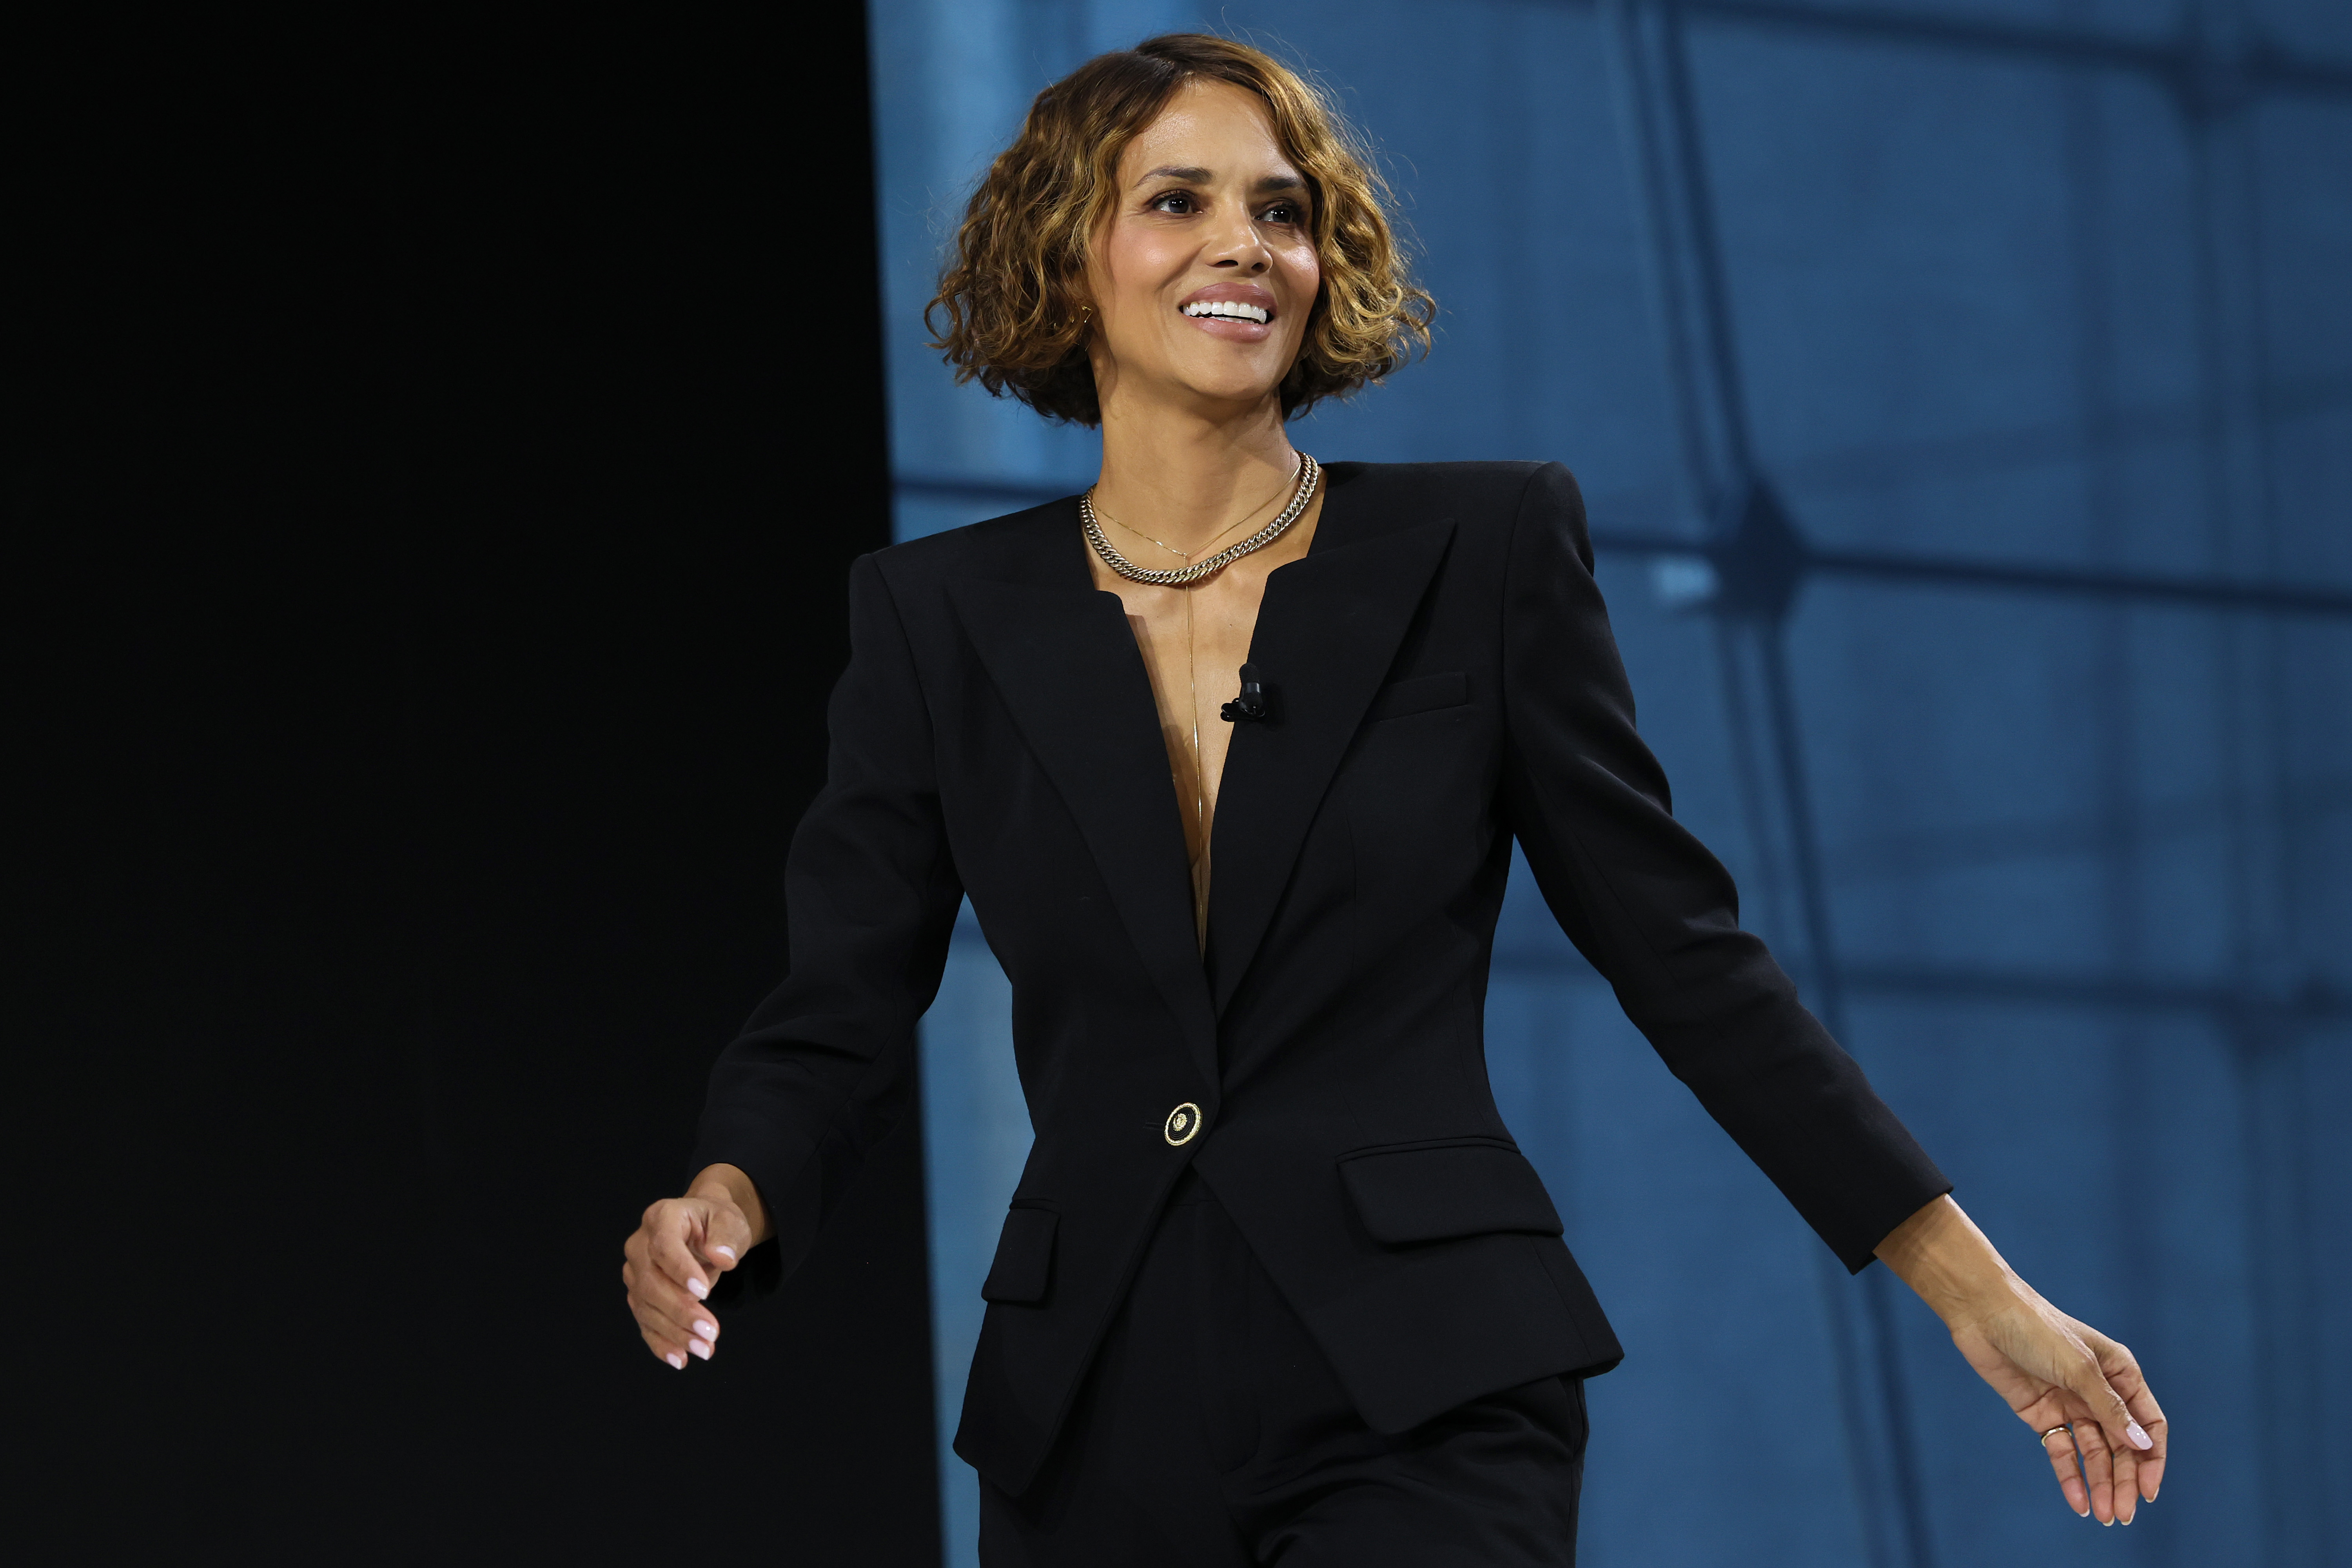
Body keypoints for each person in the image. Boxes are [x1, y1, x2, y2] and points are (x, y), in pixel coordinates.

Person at [621, 33, 2166, 1564]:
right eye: (1178, 202)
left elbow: (1689, 961)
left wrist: (1979, 1289)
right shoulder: (939, 616)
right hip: (1090, 1403)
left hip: (1429, 1387)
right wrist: (731, 1189)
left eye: (1283, 210)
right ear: (1066, 254)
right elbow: (840, 1000)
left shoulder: (1481, 553)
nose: (1246, 244)